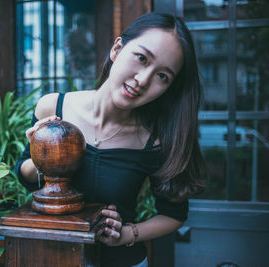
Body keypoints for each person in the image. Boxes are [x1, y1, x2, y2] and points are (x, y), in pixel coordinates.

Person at [14, 13, 207, 267]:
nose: (142, 80)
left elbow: (173, 215)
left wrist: (127, 233)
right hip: (53, 256)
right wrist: (42, 154)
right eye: (141, 58)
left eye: (163, 76)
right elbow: (24, 173)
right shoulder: (54, 107)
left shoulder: (155, 141)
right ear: (117, 48)